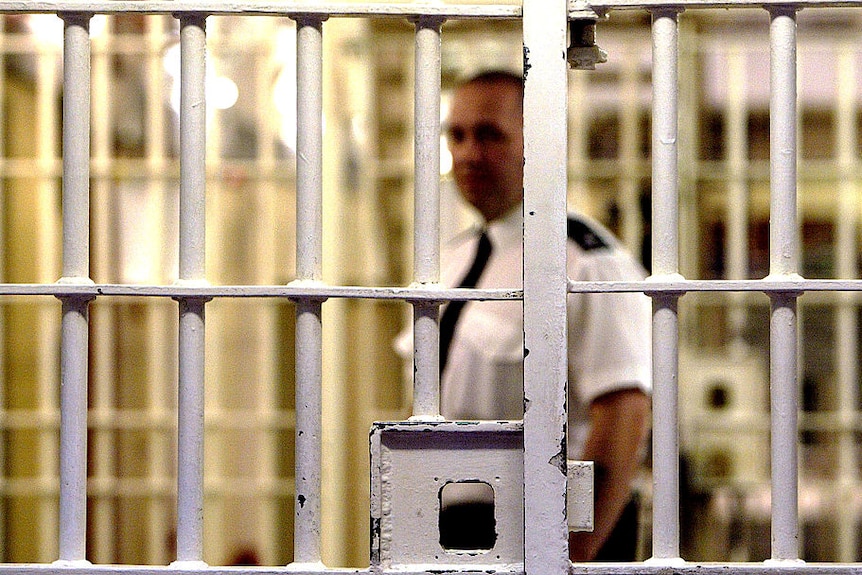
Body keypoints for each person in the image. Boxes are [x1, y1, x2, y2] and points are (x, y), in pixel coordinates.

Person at [400, 70, 651, 562]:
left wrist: (568, 552)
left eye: (490, 135)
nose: (469, 153)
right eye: (458, 135)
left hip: (543, 528)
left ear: (536, 142)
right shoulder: (451, 262)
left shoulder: (585, 261)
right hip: (447, 524)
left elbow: (623, 412)